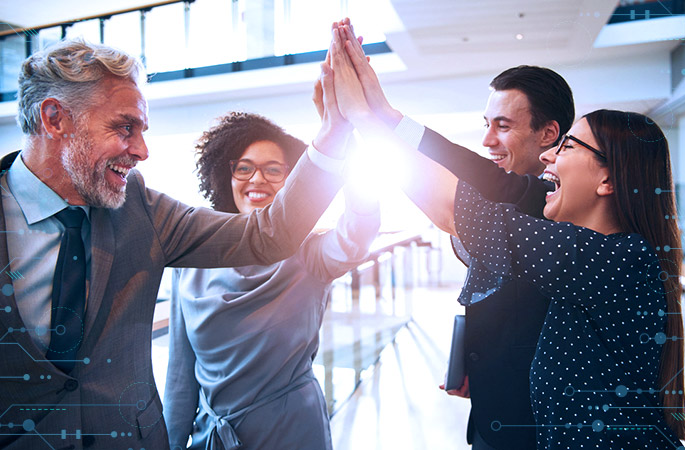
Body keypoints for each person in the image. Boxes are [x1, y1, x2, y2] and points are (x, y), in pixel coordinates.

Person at [327, 26, 685, 448]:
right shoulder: (596, 251)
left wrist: (367, 119)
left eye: (568, 147)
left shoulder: (610, 257)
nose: (551, 157)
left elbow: (457, 207)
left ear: (607, 178)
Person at [0, 38, 350, 450]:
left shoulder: (142, 210)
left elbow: (268, 233)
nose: (142, 151)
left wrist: (332, 137)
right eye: (124, 127)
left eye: (142, 131)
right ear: (55, 118)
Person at [314, 19, 575, 450]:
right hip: (494, 405)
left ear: (548, 133)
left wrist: (371, 115)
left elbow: (455, 201)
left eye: (504, 126)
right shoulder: (516, 193)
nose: (488, 140)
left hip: (533, 422)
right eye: (486, 123)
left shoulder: (556, 201)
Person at [163, 111, 379, 450]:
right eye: (244, 167)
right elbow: (180, 373)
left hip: (291, 431)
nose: (257, 179)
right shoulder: (191, 262)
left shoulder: (309, 255)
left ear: (293, 182)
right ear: (225, 175)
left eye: (274, 169)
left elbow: (357, 234)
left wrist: (343, 137)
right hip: (213, 436)